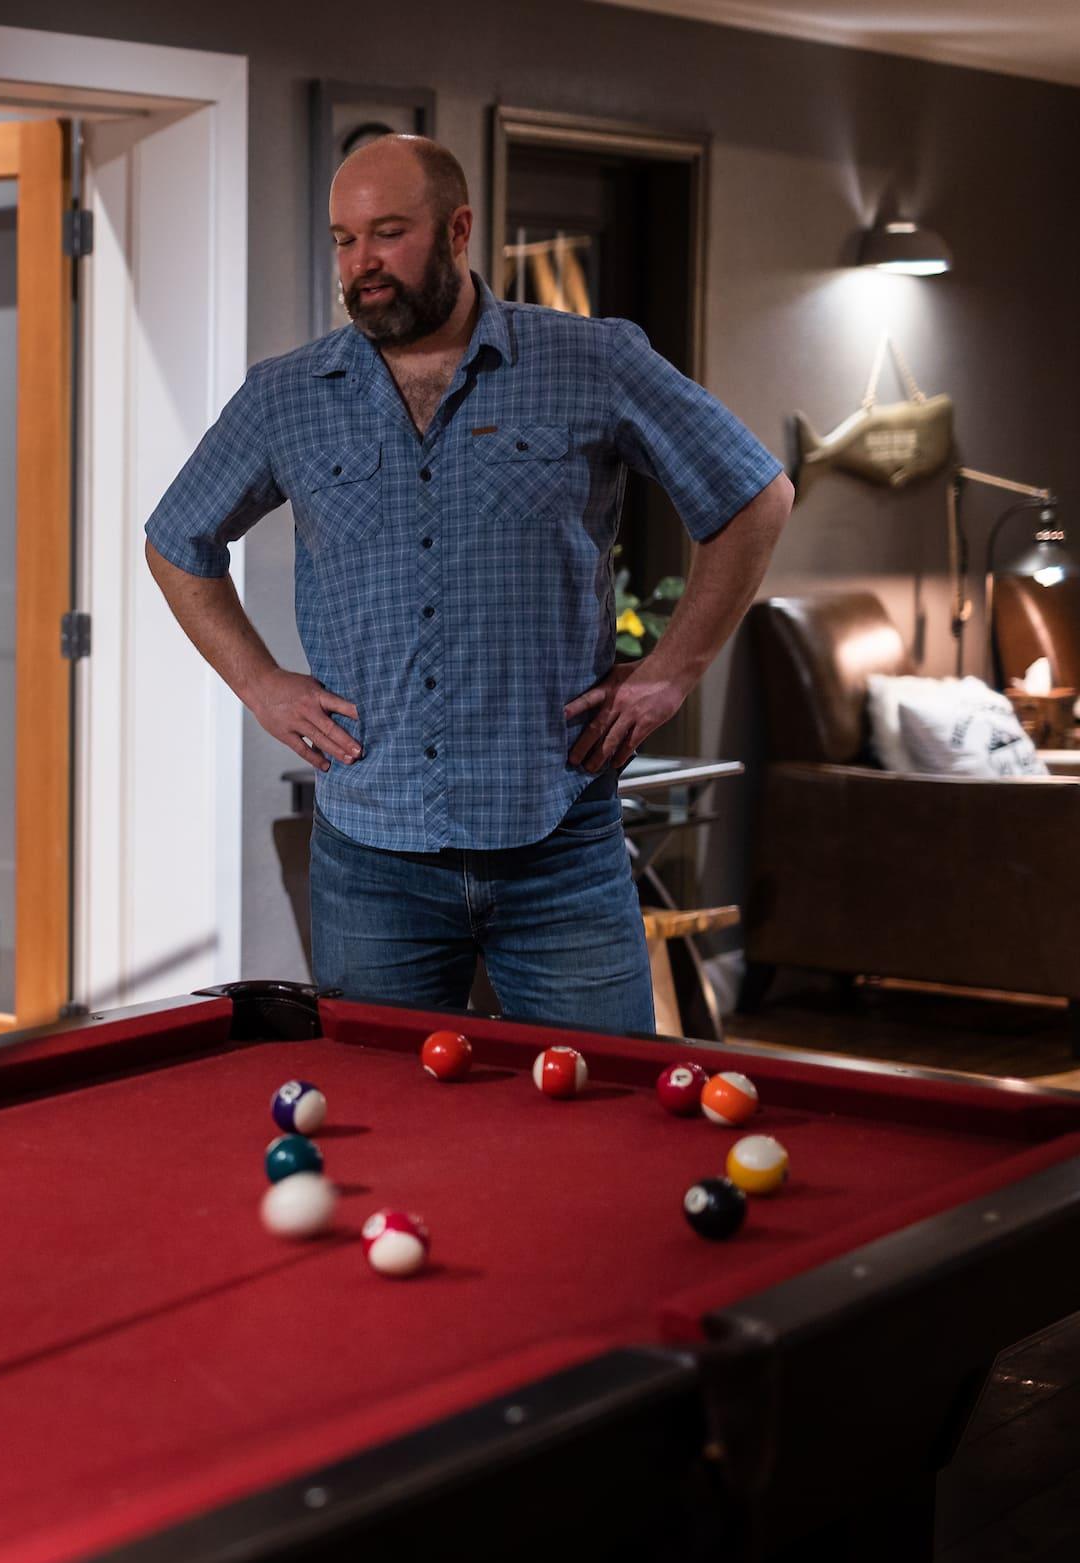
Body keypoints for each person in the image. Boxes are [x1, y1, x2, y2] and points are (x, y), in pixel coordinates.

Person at [144, 135, 791, 1032]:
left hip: (559, 840)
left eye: (388, 233)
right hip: (372, 857)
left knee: (605, 1102)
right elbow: (176, 541)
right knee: (380, 1108)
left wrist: (671, 674)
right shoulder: (286, 396)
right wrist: (260, 684)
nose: (362, 263)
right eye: (344, 240)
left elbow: (753, 497)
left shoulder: (591, 361)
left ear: (457, 230)